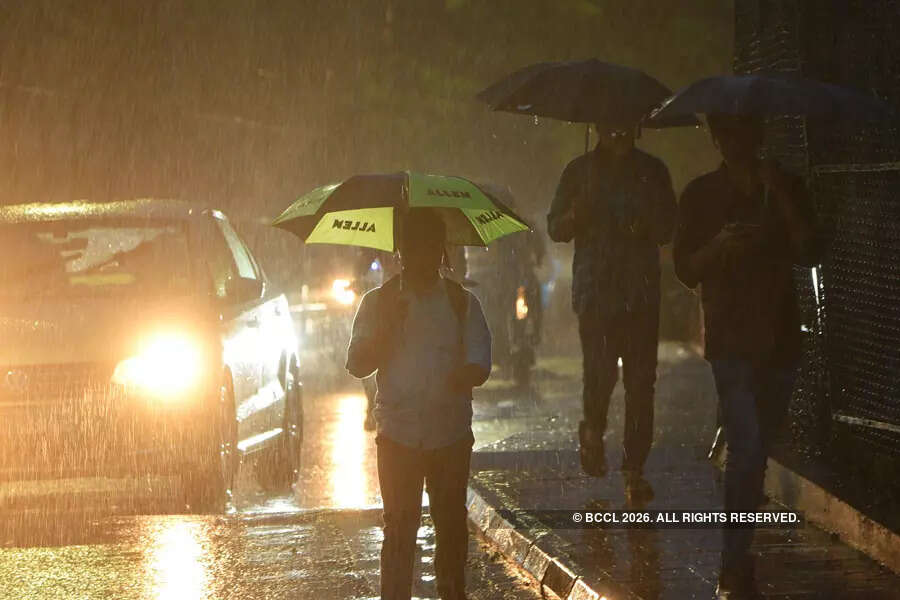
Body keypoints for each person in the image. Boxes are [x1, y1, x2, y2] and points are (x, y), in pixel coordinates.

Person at [672, 113, 817, 599]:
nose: (739, 140)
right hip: (731, 340)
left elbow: (811, 249)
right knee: (747, 448)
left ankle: (740, 552)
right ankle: (733, 566)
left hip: (779, 338)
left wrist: (784, 203)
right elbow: (685, 269)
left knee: (757, 453)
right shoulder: (700, 195)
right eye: (728, 132)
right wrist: (719, 246)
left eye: (747, 131)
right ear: (716, 137)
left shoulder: (784, 185)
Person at [346, 208, 491, 600]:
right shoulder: (377, 303)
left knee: (451, 528)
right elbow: (357, 363)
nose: (421, 257)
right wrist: (389, 327)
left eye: (430, 247)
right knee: (399, 531)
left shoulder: (463, 303)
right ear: (400, 252)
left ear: (441, 252)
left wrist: (459, 377)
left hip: (450, 436)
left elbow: (481, 363)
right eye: (412, 247)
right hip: (397, 437)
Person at [547, 122, 676, 495]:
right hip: (597, 295)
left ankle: (634, 468)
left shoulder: (652, 172)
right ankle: (592, 429)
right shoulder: (579, 172)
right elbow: (556, 226)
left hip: (640, 295)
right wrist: (577, 214)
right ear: (598, 126)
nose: (617, 132)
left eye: (623, 123)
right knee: (600, 375)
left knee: (641, 383)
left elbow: (668, 226)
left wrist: (644, 224)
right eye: (610, 124)